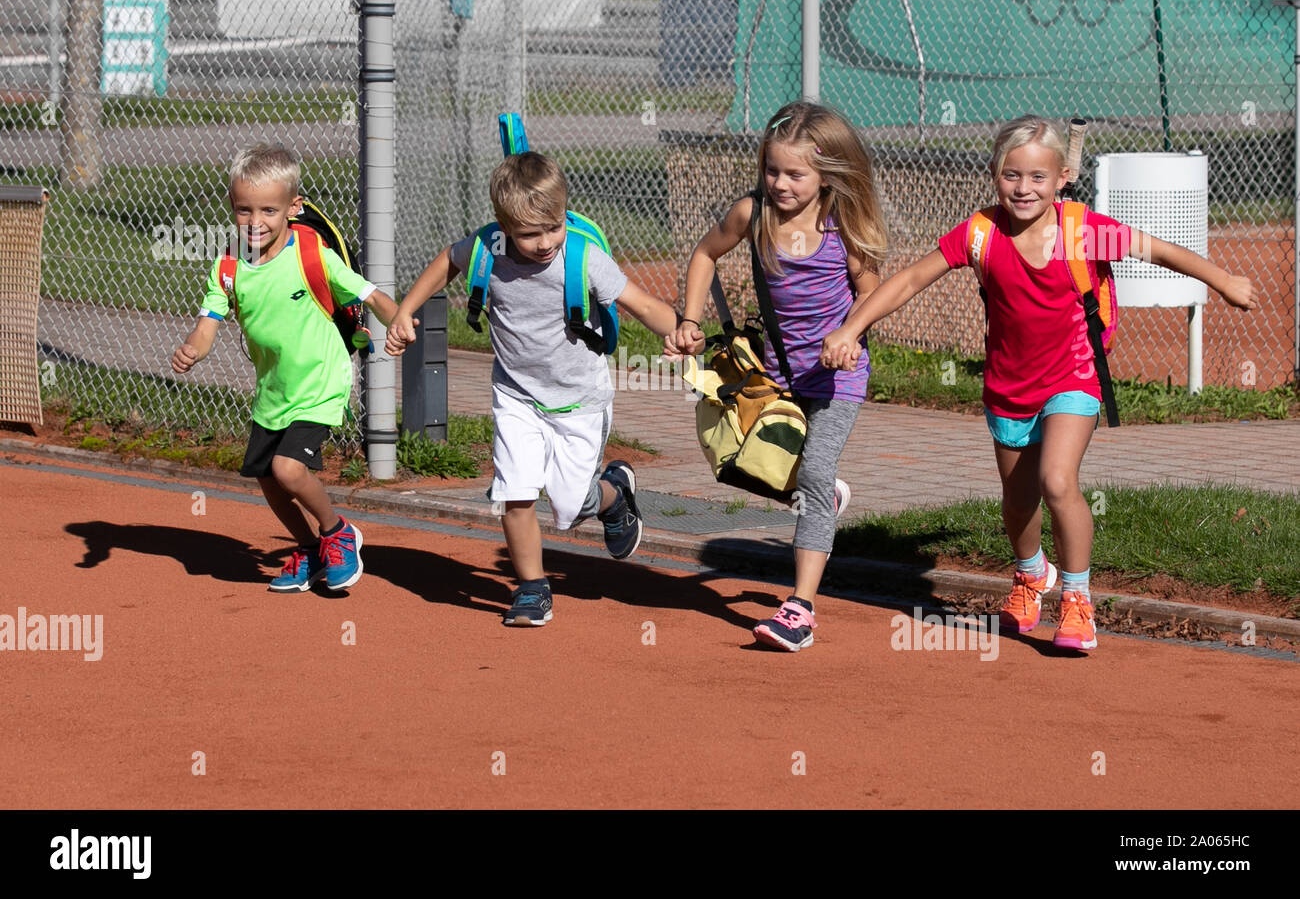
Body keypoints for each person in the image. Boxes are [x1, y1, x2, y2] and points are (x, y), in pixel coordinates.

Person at [821, 114, 1258, 651]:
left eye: (1037, 177)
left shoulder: (1084, 229)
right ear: (994, 174)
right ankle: (1031, 575)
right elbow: (911, 278)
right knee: (1017, 501)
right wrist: (851, 326)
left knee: (1057, 480)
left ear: (1061, 179)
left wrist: (1222, 280)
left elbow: (1161, 250)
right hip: (1008, 386)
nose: (1023, 188)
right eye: (1011, 175)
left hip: (1074, 376)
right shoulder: (979, 233)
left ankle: (1077, 599)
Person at [386, 151, 679, 627]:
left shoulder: (584, 259)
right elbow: (448, 261)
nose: (544, 243)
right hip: (516, 396)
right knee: (515, 492)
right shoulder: (487, 248)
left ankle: (614, 494)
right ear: (503, 226)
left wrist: (678, 329)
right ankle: (532, 588)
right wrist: (406, 309)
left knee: (569, 504)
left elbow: (643, 305)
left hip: (579, 401)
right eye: (528, 233)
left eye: (553, 226)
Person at [665, 101, 888, 652]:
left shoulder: (842, 221)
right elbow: (704, 254)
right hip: (777, 373)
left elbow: (872, 290)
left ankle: (800, 608)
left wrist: (851, 336)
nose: (780, 183)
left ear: (827, 174)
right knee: (740, 460)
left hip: (838, 377)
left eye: (796, 174)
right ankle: (821, 493)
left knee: (812, 472)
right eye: (772, 170)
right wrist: (689, 319)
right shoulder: (753, 213)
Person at [172, 143, 398, 593]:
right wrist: (192, 350)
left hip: (321, 380)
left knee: (289, 469)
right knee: (267, 477)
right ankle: (309, 549)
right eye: (244, 210)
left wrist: (400, 320)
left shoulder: (312, 254)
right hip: (273, 392)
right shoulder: (228, 267)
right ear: (232, 206)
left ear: (293, 208)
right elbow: (207, 325)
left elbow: (369, 294)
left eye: (269, 210)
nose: (255, 222)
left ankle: (338, 534)